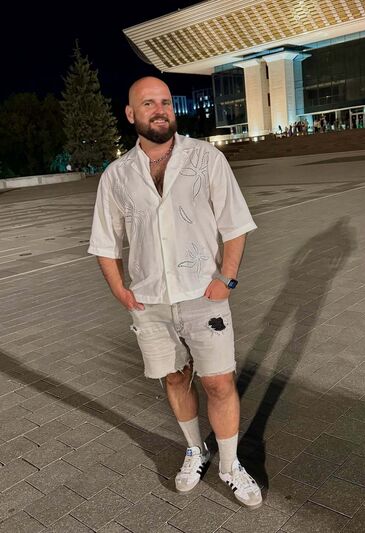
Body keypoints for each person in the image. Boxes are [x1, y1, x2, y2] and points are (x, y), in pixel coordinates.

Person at [88, 77, 262, 509]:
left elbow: (235, 223)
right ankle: (194, 450)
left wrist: (228, 278)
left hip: (204, 294)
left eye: (165, 101)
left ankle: (230, 465)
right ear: (131, 114)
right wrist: (120, 292)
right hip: (150, 301)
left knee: (219, 382)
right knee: (174, 378)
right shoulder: (116, 176)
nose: (160, 109)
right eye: (148, 103)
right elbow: (105, 243)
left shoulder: (206, 158)